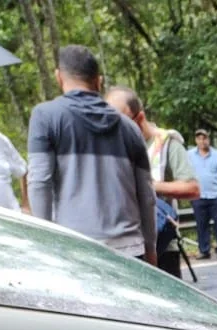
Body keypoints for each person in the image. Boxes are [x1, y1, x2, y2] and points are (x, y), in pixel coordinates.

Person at [27, 45, 156, 264]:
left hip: (76, 251)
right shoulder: (130, 128)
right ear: (98, 81)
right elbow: (147, 196)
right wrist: (151, 249)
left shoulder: (46, 117)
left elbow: (39, 183)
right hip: (131, 251)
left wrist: (44, 246)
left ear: (59, 77)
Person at [106, 86, 197, 277]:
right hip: (127, 244)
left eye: (122, 122)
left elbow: (192, 188)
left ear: (139, 118)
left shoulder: (166, 143)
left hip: (162, 242)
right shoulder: (112, 148)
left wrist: (147, 185)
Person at [189, 129, 217, 257]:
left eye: (204, 138)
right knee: (201, 225)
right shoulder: (189, 155)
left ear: (208, 139)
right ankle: (204, 250)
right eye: (199, 138)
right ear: (196, 140)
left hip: (215, 195)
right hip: (198, 195)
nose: (202, 141)